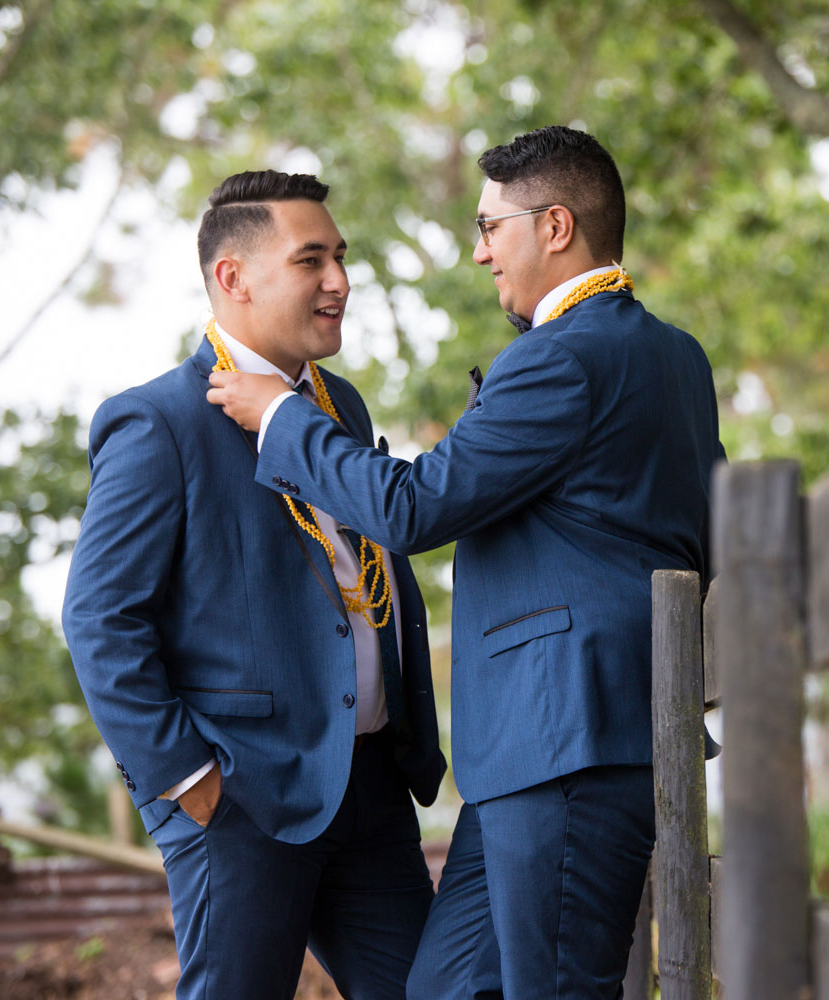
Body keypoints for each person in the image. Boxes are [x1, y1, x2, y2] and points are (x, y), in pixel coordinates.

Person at [207, 126, 725, 998]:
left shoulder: (558, 357)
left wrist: (284, 419)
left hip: (565, 736)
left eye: (492, 227)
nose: (480, 251)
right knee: (443, 989)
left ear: (554, 227)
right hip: (539, 751)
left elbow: (416, 507)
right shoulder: (676, 355)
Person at [61, 169, 447, 1000]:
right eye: (312, 260)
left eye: (341, 257)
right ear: (232, 278)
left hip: (371, 787)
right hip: (241, 797)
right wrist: (189, 781)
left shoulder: (338, 402)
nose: (340, 281)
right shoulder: (156, 422)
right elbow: (98, 619)